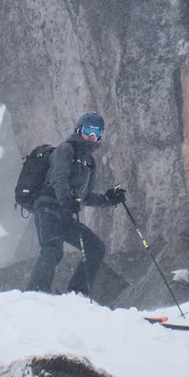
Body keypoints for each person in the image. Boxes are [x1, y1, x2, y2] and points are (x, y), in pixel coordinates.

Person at [28, 110, 127, 297]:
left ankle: (77, 292)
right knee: (53, 248)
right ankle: (36, 292)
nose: (91, 137)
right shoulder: (65, 150)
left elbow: (85, 196)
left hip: (64, 212)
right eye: (88, 131)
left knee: (95, 247)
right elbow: (59, 178)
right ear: (79, 130)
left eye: (96, 133)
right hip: (48, 207)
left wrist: (108, 199)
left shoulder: (89, 162)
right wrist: (66, 200)